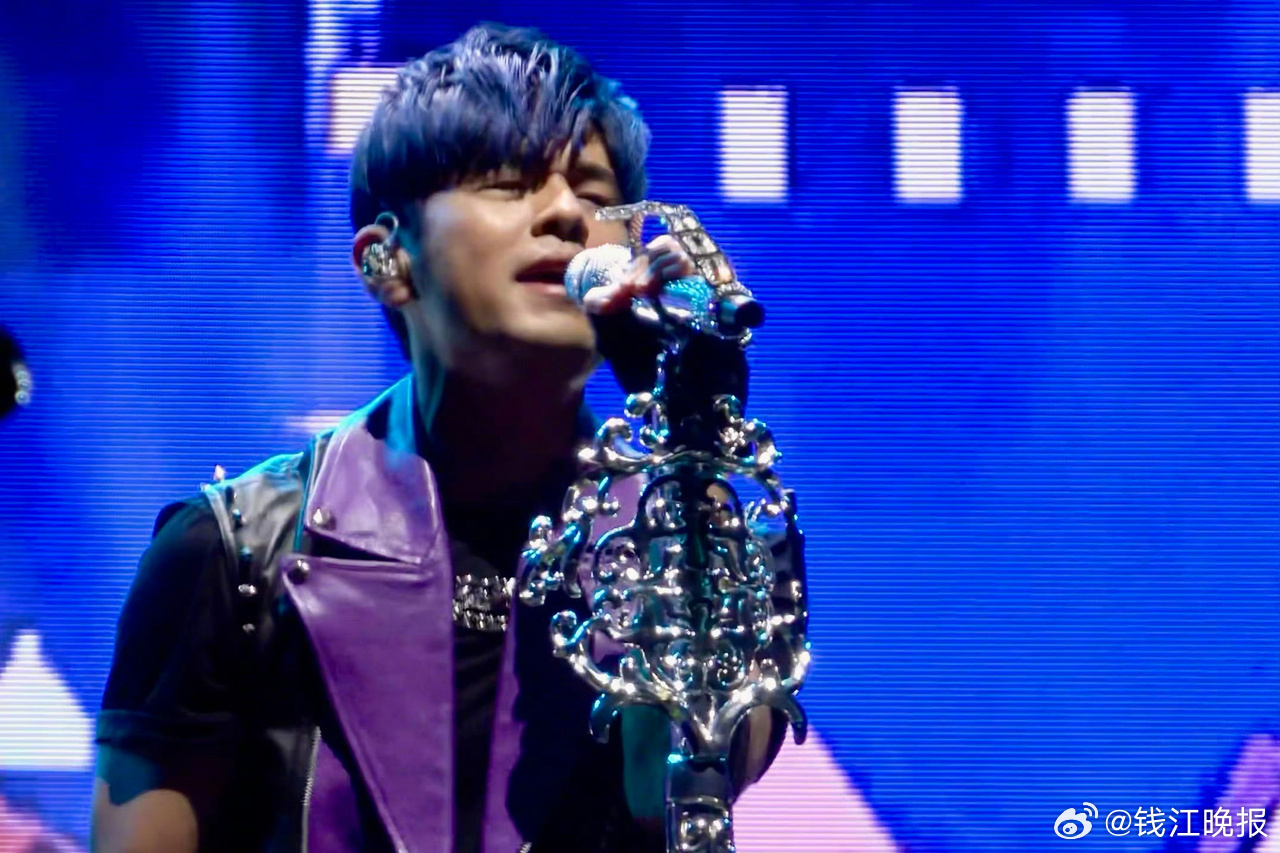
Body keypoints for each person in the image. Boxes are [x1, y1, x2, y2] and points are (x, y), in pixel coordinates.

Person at [90, 22, 794, 853]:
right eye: (508, 183)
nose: (565, 214)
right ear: (387, 261)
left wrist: (689, 436)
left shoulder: (715, 543)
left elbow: (667, 789)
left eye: (595, 195)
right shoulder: (235, 551)